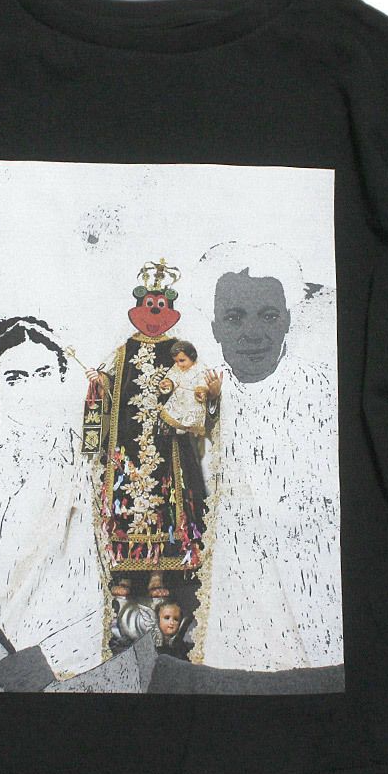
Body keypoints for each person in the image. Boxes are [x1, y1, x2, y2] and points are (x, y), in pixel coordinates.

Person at [193, 242, 343, 673]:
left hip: (319, 617)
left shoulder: (327, 398)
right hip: (227, 620)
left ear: (289, 321)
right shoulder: (194, 403)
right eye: (234, 318)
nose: (252, 334)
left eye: (269, 316)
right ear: (215, 327)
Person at [0, 314, 105, 687]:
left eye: (44, 374)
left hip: (72, 672)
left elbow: (113, 588)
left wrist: (53, 658)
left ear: (62, 378)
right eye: (15, 378)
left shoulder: (92, 467)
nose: (32, 389)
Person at [82, 259, 221, 615]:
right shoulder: (123, 351)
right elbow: (112, 385)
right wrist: (100, 381)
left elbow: (193, 387)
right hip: (126, 443)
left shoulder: (179, 350)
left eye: (160, 305)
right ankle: (126, 572)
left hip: (166, 442)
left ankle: (159, 572)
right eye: (149, 304)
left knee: (162, 504)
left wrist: (207, 394)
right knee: (126, 503)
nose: (154, 311)